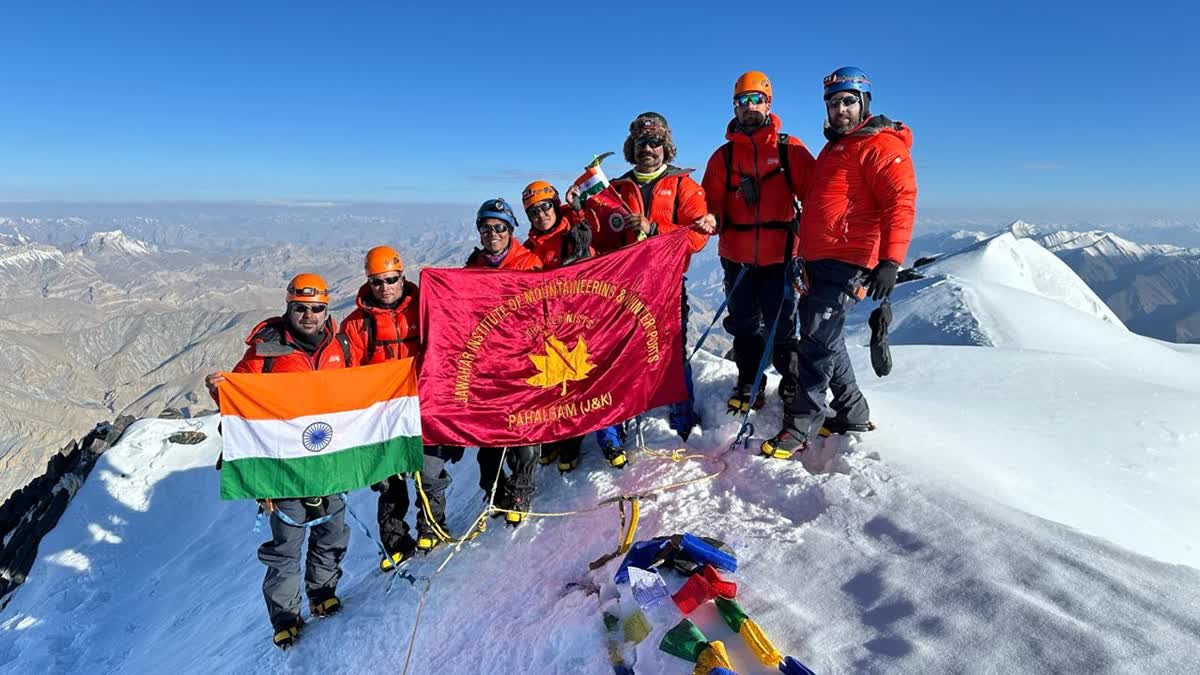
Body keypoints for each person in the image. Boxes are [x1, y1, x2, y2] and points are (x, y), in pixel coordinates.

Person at [760, 66, 916, 459]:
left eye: (848, 101)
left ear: (864, 103)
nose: (840, 110)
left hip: (851, 262)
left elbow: (900, 202)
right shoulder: (837, 147)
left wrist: (891, 260)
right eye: (833, 103)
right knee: (826, 340)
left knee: (814, 344)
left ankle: (799, 428)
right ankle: (853, 414)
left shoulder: (882, 146)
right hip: (820, 260)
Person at [204, 273, 356, 649]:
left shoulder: (341, 349)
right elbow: (240, 414)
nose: (309, 315)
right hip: (282, 466)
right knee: (286, 545)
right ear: (288, 307)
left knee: (332, 532)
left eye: (317, 308)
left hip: (328, 462)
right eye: (300, 308)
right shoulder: (264, 353)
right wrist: (220, 394)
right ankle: (286, 617)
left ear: (327, 310)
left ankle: (323, 593)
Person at [569, 112, 716, 443]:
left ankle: (682, 416)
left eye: (654, 142)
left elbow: (696, 237)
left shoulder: (684, 186)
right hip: (625, 287)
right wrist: (577, 210)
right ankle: (619, 416)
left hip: (666, 285)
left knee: (672, 351)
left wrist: (653, 229)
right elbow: (601, 240)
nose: (647, 148)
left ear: (666, 147)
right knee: (623, 354)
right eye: (640, 143)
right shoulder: (616, 189)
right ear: (631, 148)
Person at [701, 70, 815, 417]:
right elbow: (710, 206)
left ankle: (791, 383)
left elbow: (814, 197)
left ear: (768, 103)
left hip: (780, 256)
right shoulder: (722, 158)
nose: (749, 107)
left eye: (756, 100)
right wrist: (710, 220)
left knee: (782, 324)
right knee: (744, 324)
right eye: (742, 101)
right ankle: (750, 381)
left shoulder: (789, 149)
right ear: (734, 108)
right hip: (736, 258)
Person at [339, 246, 462, 567]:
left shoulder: (424, 307)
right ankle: (396, 543)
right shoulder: (356, 325)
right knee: (389, 482)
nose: (385, 287)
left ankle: (432, 527)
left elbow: (450, 346)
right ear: (369, 282)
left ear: (402, 277)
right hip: (383, 416)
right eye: (377, 282)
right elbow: (346, 377)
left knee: (430, 472)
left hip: (425, 407)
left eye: (391, 280)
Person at [465, 198, 542, 524]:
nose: (492, 233)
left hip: (523, 362)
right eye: (486, 228)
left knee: (524, 433)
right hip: (488, 365)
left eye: (499, 227)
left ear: (510, 230)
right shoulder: (473, 269)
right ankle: (496, 493)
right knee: (491, 438)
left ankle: (522, 491)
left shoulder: (529, 263)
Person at [520, 181, 597, 473]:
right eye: (533, 212)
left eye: (545, 207)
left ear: (555, 205)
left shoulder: (576, 232)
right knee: (551, 384)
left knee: (573, 382)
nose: (540, 215)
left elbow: (599, 269)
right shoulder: (528, 249)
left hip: (578, 319)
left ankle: (571, 441)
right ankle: (553, 437)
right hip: (545, 325)